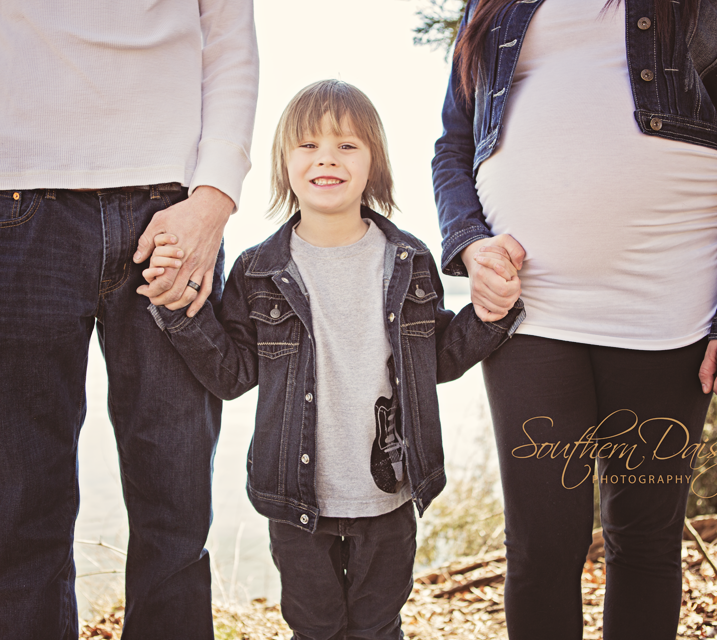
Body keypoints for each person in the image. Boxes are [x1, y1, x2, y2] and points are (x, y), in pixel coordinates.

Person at [0, 1, 259, 637]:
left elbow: (231, 38)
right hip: (14, 213)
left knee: (176, 506)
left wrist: (213, 203)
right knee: (23, 506)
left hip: (172, 216)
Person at [432, 0, 717, 639]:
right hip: (528, 311)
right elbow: (454, 146)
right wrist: (469, 244)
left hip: (669, 304)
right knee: (539, 548)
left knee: (645, 542)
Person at [145, 79, 524, 639]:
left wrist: (490, 315)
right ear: (285, 163)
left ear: (374, 163)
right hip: (297, 501)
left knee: (378, 627)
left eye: (347, 145)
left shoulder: (409, 259)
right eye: (309, 145)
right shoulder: (256, 270)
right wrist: (178, 309)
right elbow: (232, 374)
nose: (327, 158)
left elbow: (437, 357)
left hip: (390, 496)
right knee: (315, 627)